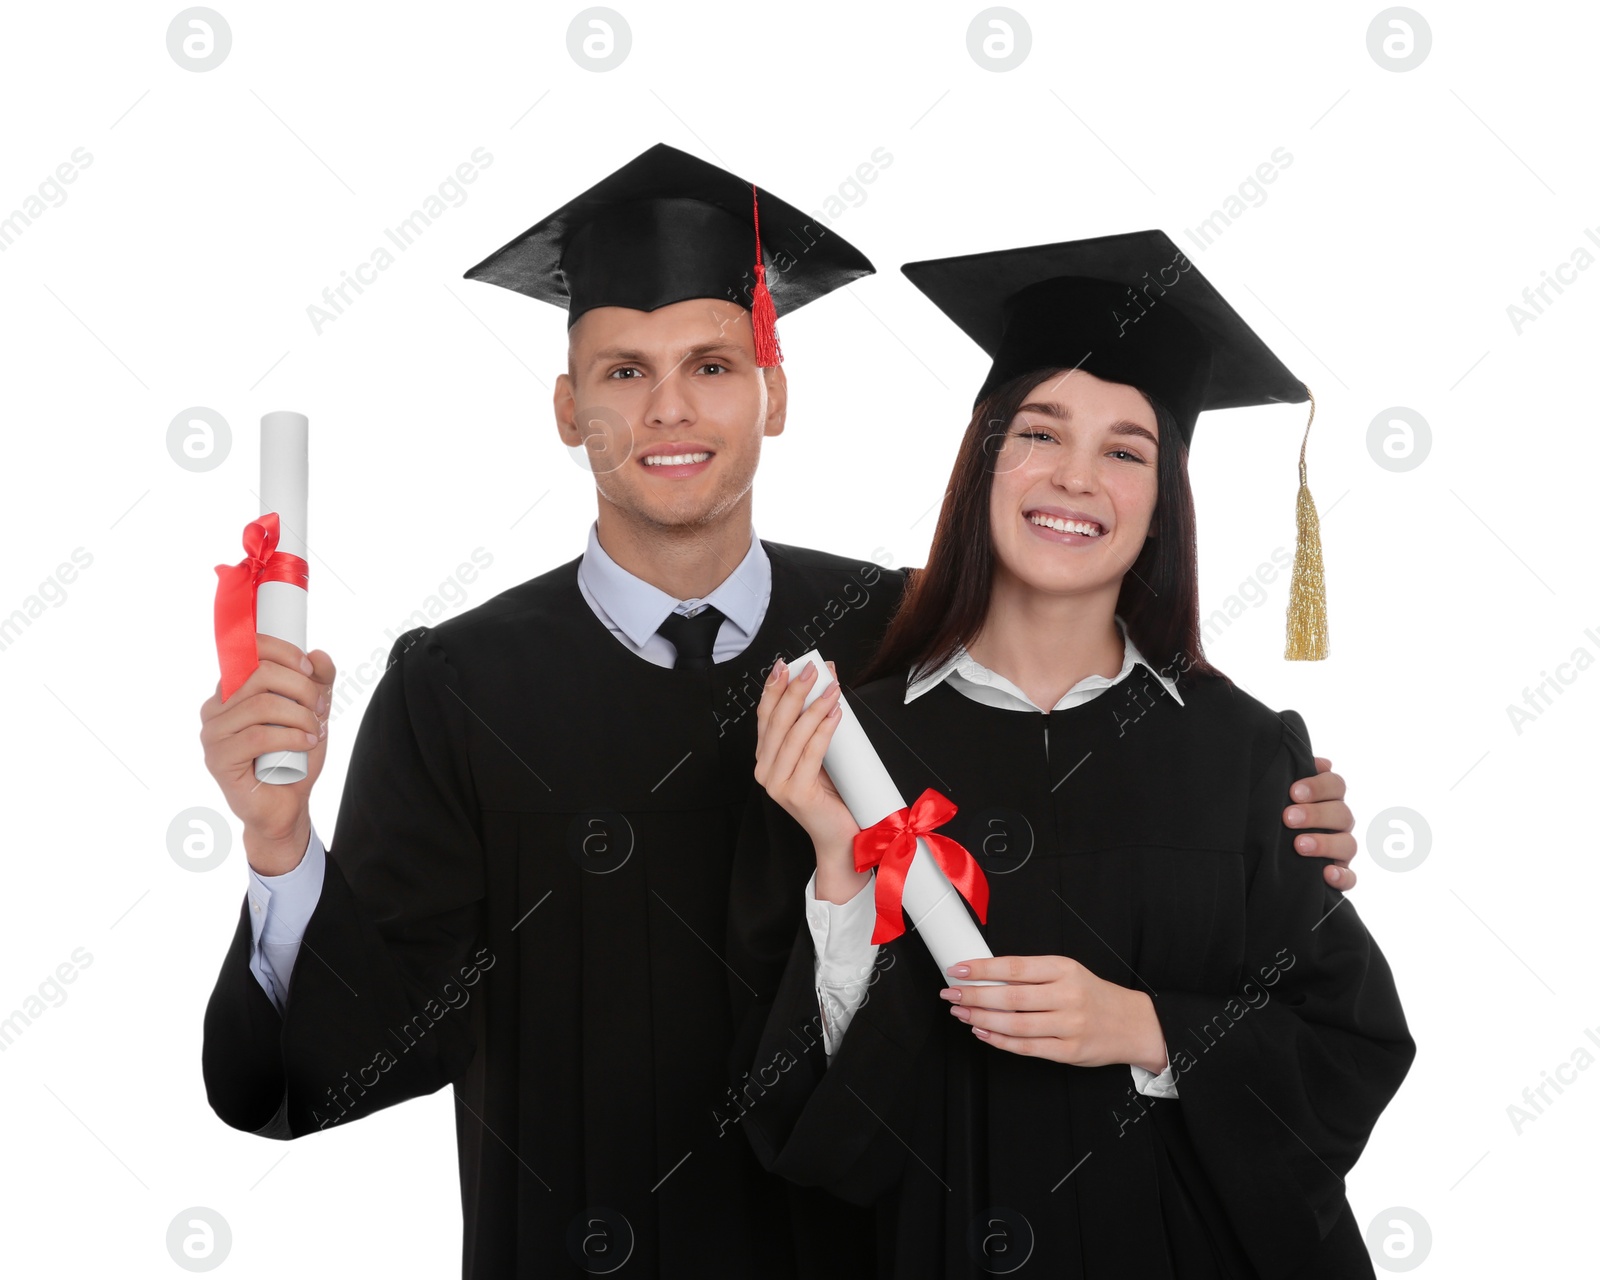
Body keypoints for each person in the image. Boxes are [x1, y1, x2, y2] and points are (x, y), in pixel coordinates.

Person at [196, 151, 1358, 1280]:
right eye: (619, 371)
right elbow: (359, 1055)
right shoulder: (458, 687)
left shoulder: (906, 644)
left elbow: (1089, 757)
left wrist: (1264, 811)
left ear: (774, 392)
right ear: (565, 407)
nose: (667, 406)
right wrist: (280, 846)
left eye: (711, 362)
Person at [736, 231, 1413, 1278]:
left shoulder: (1239, 751)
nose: (1075, 478)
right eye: (1039, 433)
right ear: (986, 460)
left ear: (1159, 504)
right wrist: (837, 863)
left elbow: (1350, 1045)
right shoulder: (857, 749)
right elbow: (818, 1135)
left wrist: (1147, 1029)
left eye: (1126, 450)